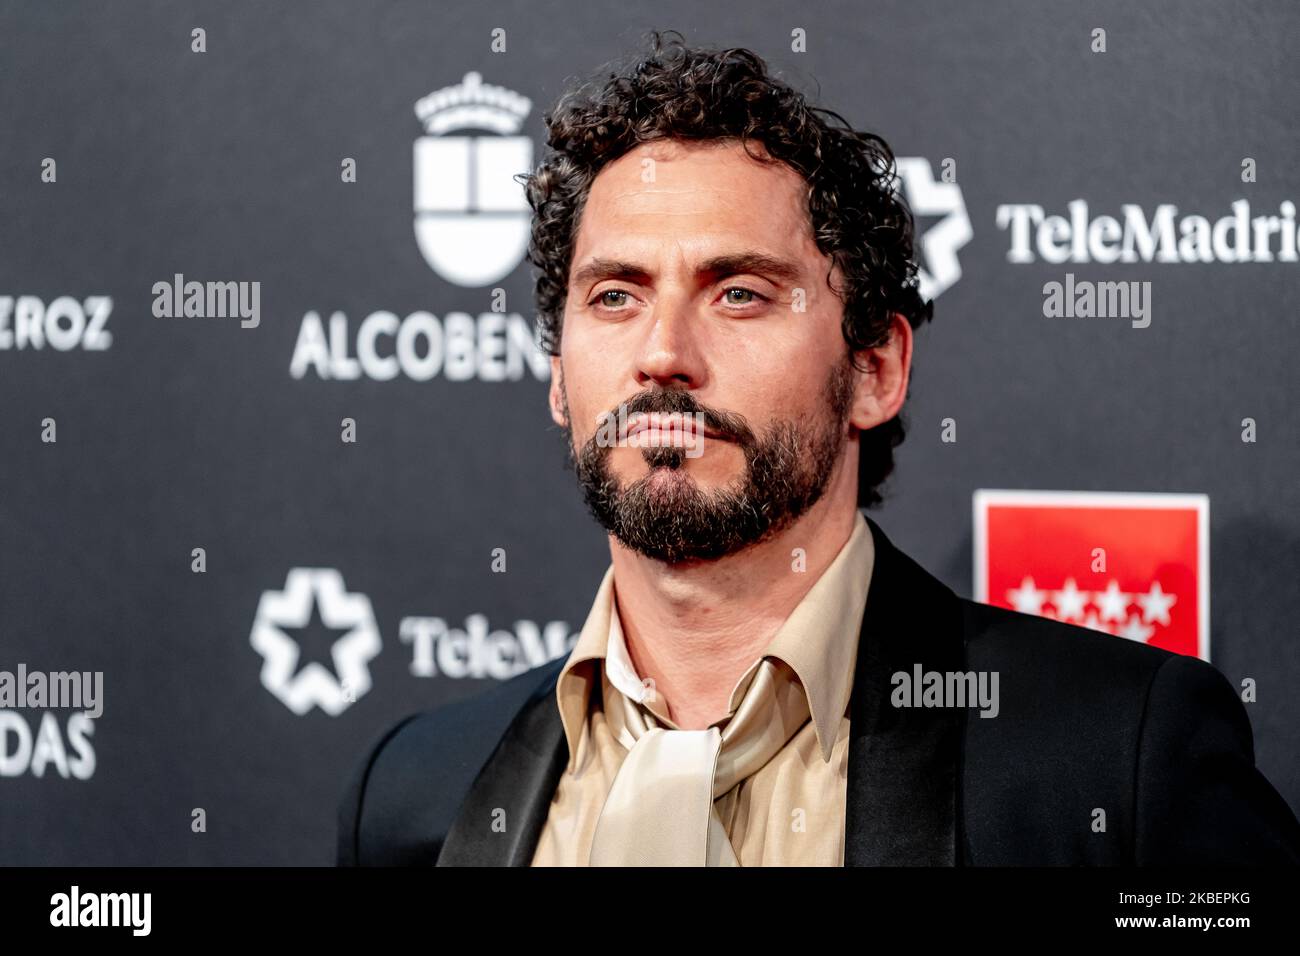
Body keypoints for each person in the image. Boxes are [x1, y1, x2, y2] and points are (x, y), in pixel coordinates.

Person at [337, 32, 1300, 866]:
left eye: (741, 293)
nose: (662, 354)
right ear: (558, 374)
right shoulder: (420, 789)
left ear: (875, 367)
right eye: (615, 296)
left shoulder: (1113, 764)